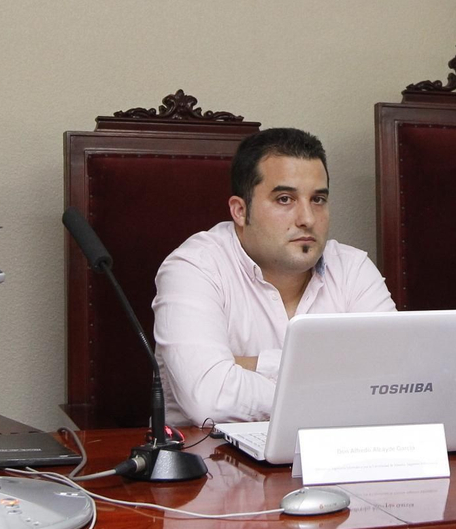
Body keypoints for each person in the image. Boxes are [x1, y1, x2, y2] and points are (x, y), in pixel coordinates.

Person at [152, 127, 395, 426]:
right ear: (240, 211)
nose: (307, 218)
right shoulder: (194, 267)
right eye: (284, 199)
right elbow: (210, 399)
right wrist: (343, 381)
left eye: (318, 200)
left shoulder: (353, 269)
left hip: (334, 458)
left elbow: (396, 384)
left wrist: (248, 365)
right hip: (211, 462)